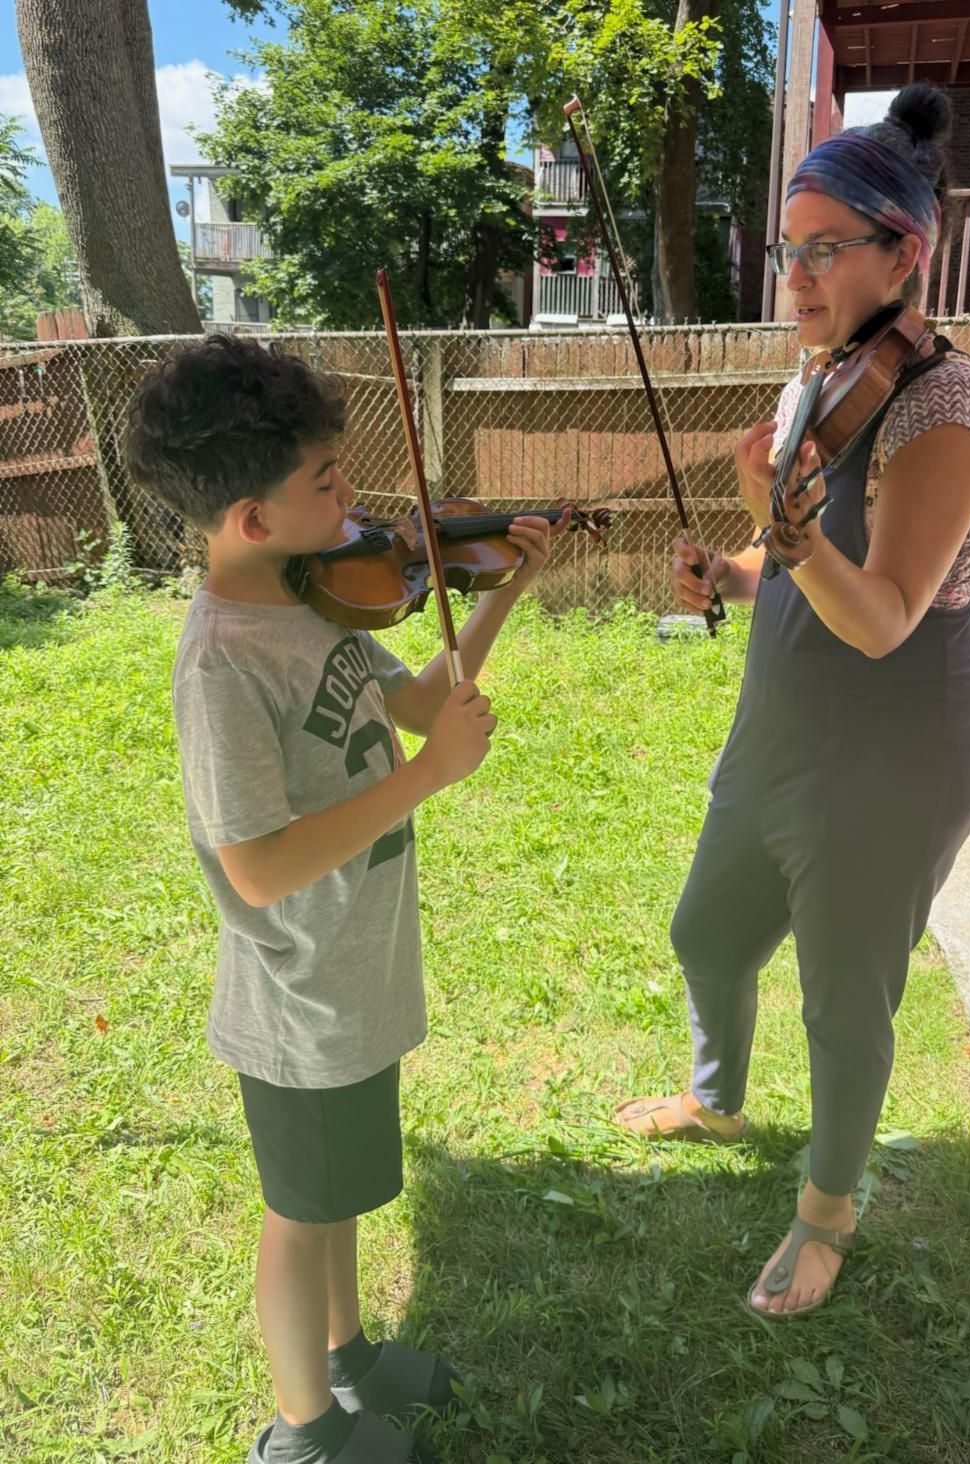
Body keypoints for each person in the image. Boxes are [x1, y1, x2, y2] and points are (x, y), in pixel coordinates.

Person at [125, 334, 565, 1463]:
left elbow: (418, 705)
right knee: (300, 1209)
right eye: (326, 481)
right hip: (297, 990)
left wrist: (505, 590)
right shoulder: (225, 658)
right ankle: (304, 1433)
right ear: (253, 517)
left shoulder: (310, 599)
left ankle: (348, 1356)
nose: (354, 497)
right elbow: (257, 864)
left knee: (340, 1194)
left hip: (351, 963)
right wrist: (426, 780)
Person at [616, 84, 970, 1319]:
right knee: (706, 932)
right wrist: (735, 566)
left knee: (845, 1006)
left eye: (825, 249)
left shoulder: (944, 410)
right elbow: (790, 562)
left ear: (906, 251)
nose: (797, 274)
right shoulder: (813, 383)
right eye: (790, 250)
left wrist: (779, 532)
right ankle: (717, 1097)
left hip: (888, 750)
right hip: (779, 728)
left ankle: (828, 1211)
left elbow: (885, 614)